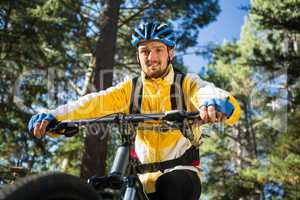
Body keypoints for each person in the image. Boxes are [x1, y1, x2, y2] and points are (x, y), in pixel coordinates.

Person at [28, 22, 240, 200]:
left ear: (171, 53)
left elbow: (206, 91)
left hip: (181, 174)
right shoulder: (131, 89)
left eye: (158, 50)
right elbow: (94, 103)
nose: (151, 57)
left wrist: (214, 102)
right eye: (145, 51)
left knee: (171, 186)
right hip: (139, 179)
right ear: (138, 56)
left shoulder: (185, 84)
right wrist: (55, 116)